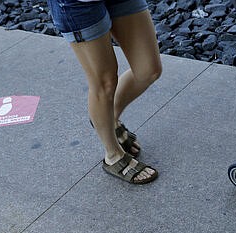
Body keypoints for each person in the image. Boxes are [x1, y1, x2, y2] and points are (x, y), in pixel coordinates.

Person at [47, 0, 162, 184]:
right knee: (104, 83)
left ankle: (110, 118)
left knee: (148, 70)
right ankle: (113, 155)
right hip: (79, 5)